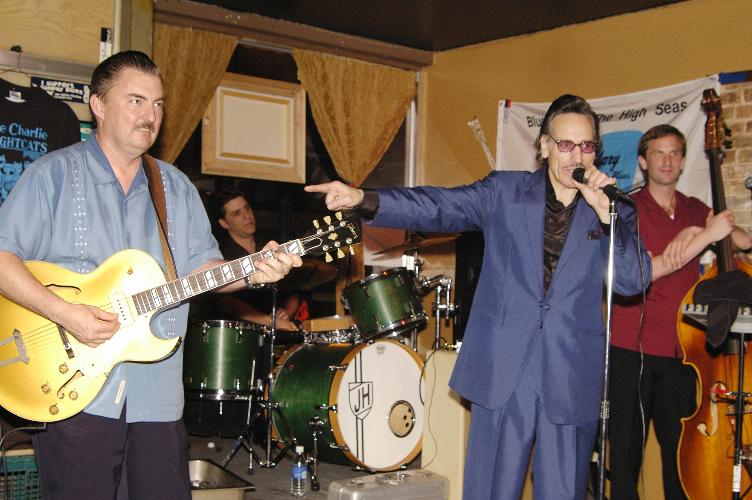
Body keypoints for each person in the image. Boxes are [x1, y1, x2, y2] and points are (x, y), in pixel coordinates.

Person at [305, 94, 652, 499]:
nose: (576, 155)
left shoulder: (614, 209)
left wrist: (608, 216)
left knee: (564, 490)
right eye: (565, 144)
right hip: (505, 366)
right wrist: (364, 199)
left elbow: (633, 281)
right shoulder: (505, 191)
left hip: (570, 371)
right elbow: (437, 205)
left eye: (586, 145)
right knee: (491, 489)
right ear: (543, 146)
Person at [0, 51, 300, 499]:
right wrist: (66, 314)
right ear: (98, 105)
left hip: (157, 395)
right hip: (72, 387)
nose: (151, 115)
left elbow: (204, 270)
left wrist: (254, 272)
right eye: (136, 101)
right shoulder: (52, 176)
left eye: (158, 104)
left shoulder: (175, 187)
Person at [608, 124, 752, 499]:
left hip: (682, 352)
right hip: (631, 349)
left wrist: (709, 228)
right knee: (625, 458)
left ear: (684, 161)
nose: (667, 161)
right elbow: (651, 269)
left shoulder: (693, 208)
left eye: (674, 153)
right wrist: (703, 236)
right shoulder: (628, 209)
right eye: (658, 153)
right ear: (643, 161)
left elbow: (743, 241)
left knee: (681, 458)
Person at [210, 189, 302, 331]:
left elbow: (295, 287)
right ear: (224, 223)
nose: (247, 215)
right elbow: (226, 302)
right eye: (237, 213)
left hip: (276, 330)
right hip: (238, 332)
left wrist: (287, 312)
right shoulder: (219, 256)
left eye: (247, 208)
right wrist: (270, 321)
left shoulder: (270, 244)